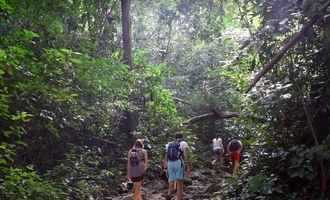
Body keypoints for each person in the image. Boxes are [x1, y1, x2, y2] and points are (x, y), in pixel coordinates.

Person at [165, 133, 191, 200]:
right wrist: (188, 166)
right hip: (178, 163)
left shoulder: (169, 144)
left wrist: (165, 167)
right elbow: (185, 155)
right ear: (182, 137)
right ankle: (179, 198)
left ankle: (169, 195)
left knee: (171, 180)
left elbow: (166, 156)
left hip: (170, 163)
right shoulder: (183, 143)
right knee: (180, 183)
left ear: (175, 138)